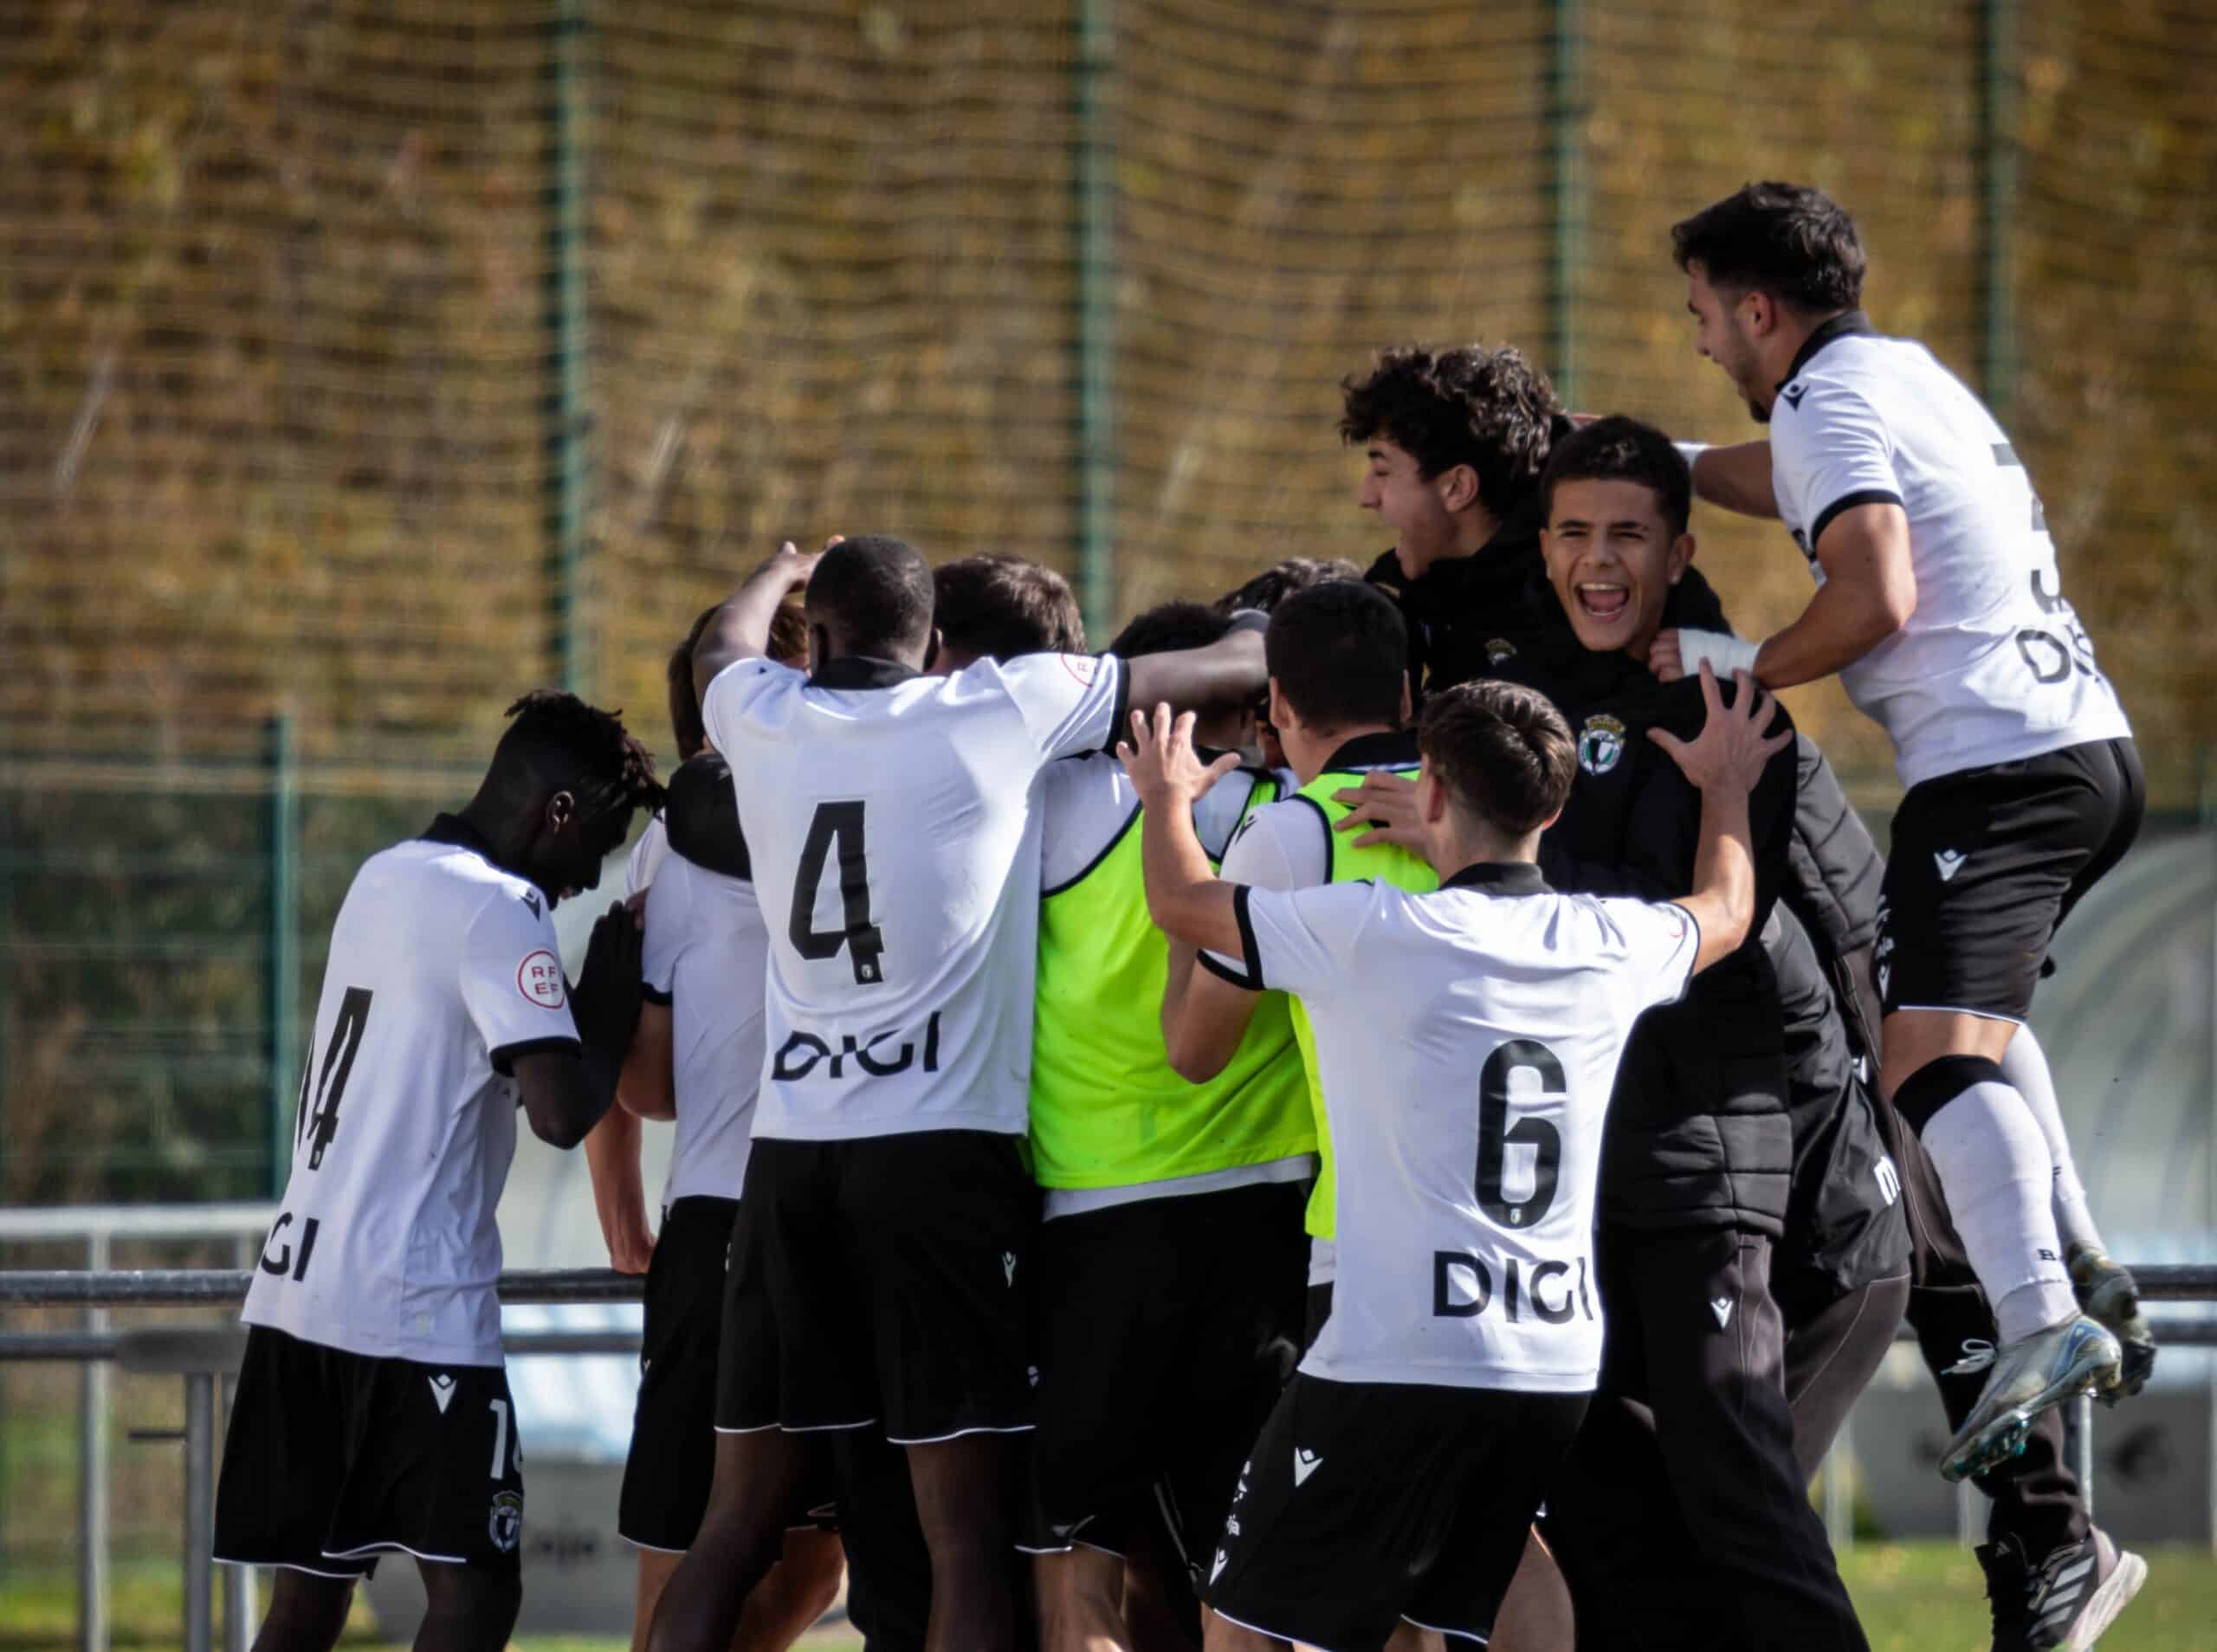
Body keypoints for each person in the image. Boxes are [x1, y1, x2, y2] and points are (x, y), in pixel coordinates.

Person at [647, 536, 1270, 1652]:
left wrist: (781, 572)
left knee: (735, 1521)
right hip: (938, 1161)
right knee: (965, 1535)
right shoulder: (995, 706)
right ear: (934, 644)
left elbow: (722, 646)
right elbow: (1208, 673)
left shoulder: (762, 716)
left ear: (822, 637)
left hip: (788, 1159)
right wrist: (1273, 630)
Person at [1119, 668, 1787, 1652]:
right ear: (1553, 808)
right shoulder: (1611, 939)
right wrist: (1726, 785)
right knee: (1487, 1593)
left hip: (1394, 1351)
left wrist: (1166, 797)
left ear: (1428, 792)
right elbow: (1727, 908)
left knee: (1246, 1620)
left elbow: (1182, 901)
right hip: (1551, 1355)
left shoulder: (1370, 931)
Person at [1656, 182, 2151, 1501]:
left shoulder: (1830, 400)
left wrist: (1738, 667)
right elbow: (1793, 473)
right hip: (2084, 748)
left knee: (1920, 1055)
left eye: (1706, 314)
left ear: (1758, 308)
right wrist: (1667, 461)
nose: (1703, 340)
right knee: (1957, 1020)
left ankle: (2043, 1315)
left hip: (1998, 771)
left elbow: (1876, 591)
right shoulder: (1895, 373)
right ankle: (2083, 1251)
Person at [1482, 416, 1870, 1651]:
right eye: (1577, 533)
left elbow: (1694, 925)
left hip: (1706, 1163)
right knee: (1590, 1500)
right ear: (1543, 545)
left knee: (1733, 1486)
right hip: (1566, 1182)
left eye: (1629, 536)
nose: (1601, 562)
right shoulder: (1511, 690)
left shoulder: (1726, 703)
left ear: (1681, 546)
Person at [211, 692, 663, 1652]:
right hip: (412, 1310)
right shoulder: (499, 911)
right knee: (478, 1593)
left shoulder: (386, 873)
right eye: (599, 844)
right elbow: (559, 1112)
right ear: (557, 815)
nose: (588, 879)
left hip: (300, 1294)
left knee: (308, 1599)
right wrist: (611, 995)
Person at [1022, 602, 1315, 1652]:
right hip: (1266, 1225)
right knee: (1251, 1583)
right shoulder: (1300, 814)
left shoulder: (1050, 802)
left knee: (1082, 1567)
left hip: (1096, 1224)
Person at [575, 613, 841, 1652]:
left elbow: (643, 1080)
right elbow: (628, 1057)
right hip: (736, 1210)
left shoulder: (843, 795)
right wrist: (624, 1214)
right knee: (688, 1545)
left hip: (834, 1204)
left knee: (818, 1554)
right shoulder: (676, 844)